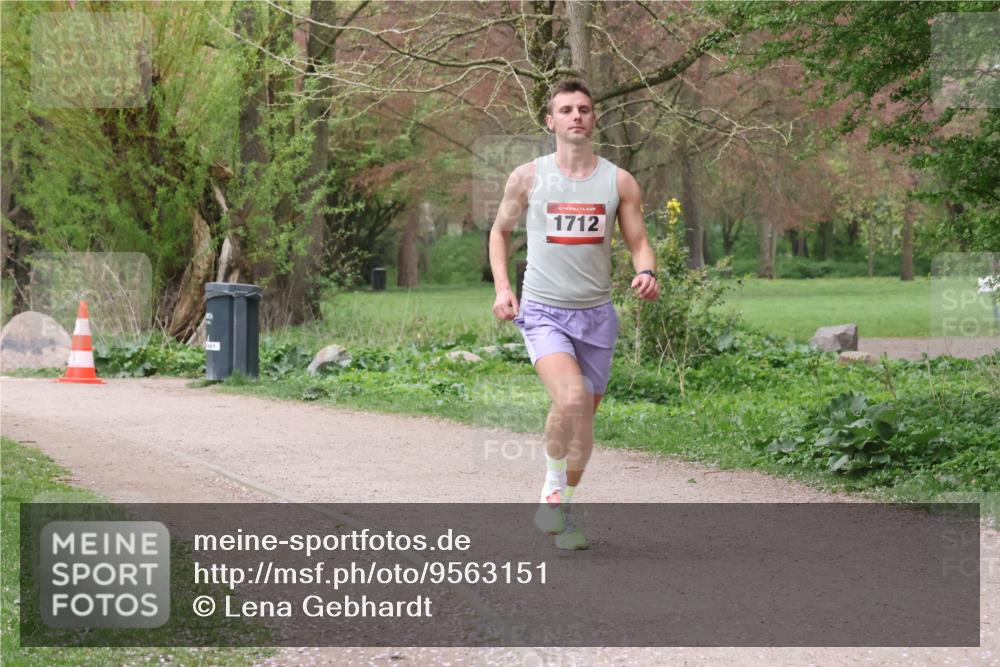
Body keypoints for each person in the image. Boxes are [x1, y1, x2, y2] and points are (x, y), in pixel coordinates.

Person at [489, 78, 660, 550]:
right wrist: (504, 288)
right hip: (544, 311)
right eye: (565, 110)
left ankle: (560, 504)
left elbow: (639, 241)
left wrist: (647, 271)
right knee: (571, 401)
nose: (576, 116)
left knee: (582, 416)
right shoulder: (527, 177)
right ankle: (553, 495)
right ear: (551, 121)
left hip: (597, 315)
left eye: (584, 109)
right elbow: (499, 233)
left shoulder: (618, 181)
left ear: (594, 118)